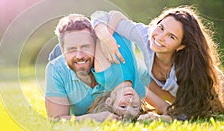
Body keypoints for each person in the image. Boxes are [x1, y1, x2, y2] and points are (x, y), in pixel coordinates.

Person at [91, 5, 224, 120]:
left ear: (181, 46)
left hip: (214, 93)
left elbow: (192, 112)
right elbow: (102, 16)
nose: (160, 37)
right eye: (161, 27)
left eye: (171, 36)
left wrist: (164, 118)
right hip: (173, 98)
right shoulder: (147, 36)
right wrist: (106, 38)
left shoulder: (189, 70)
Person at [45, 14, 121, 122]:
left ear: (95, 44)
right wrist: (95, 118)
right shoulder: (56, 69)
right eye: (72, 49)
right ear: (62, 50)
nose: (79, 56)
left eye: (85, 47)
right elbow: (56, 120)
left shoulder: (111, 59)